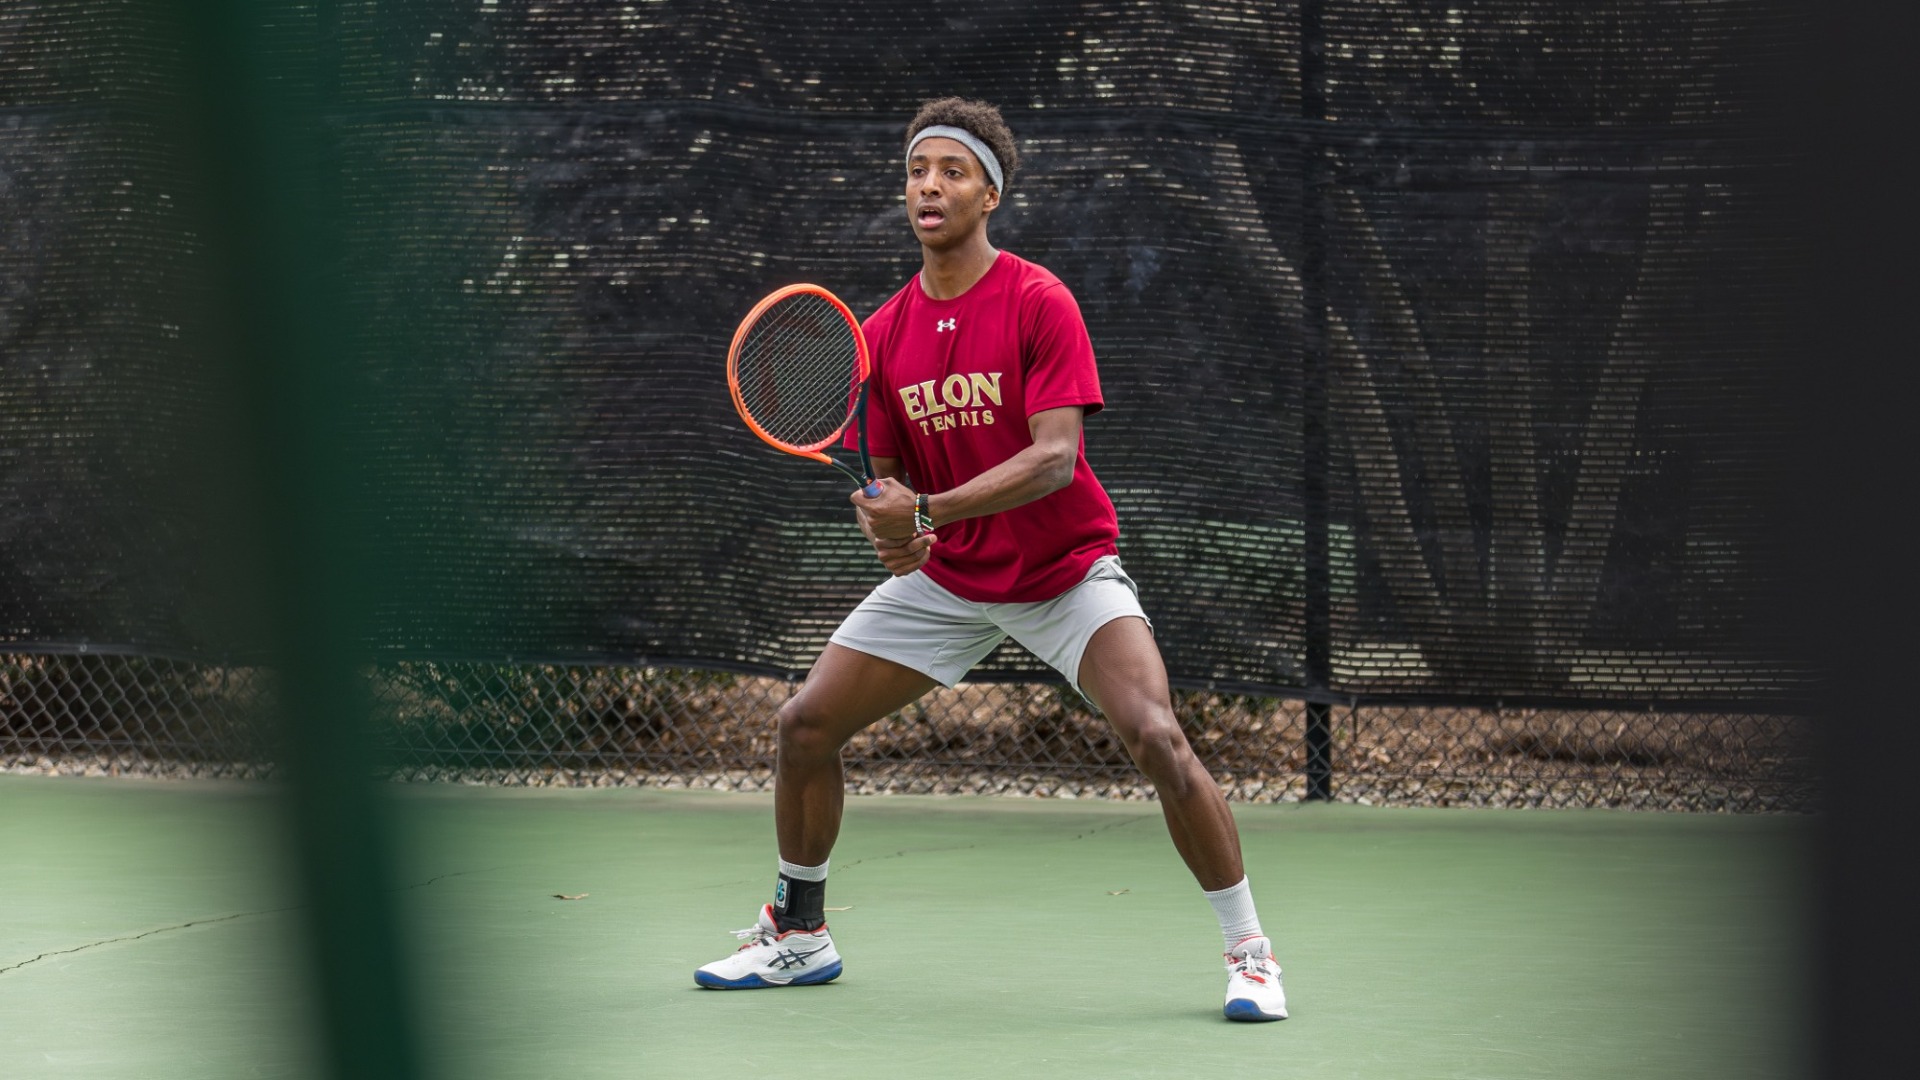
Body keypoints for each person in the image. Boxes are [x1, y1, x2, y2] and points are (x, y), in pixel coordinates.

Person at [695, 97, 1287, 1022]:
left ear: (990, 193)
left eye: (952, 171)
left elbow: (1058, 458)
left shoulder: (1038, 301)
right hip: (949, 581)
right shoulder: (881, 336)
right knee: (804, 726)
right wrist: (896, 533)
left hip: (1064, 575)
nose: (929, 185)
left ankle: (1249, 952)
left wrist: (926, 509)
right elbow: (888, 489)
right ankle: (800, 935)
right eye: (916, 170)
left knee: (1158, 737)